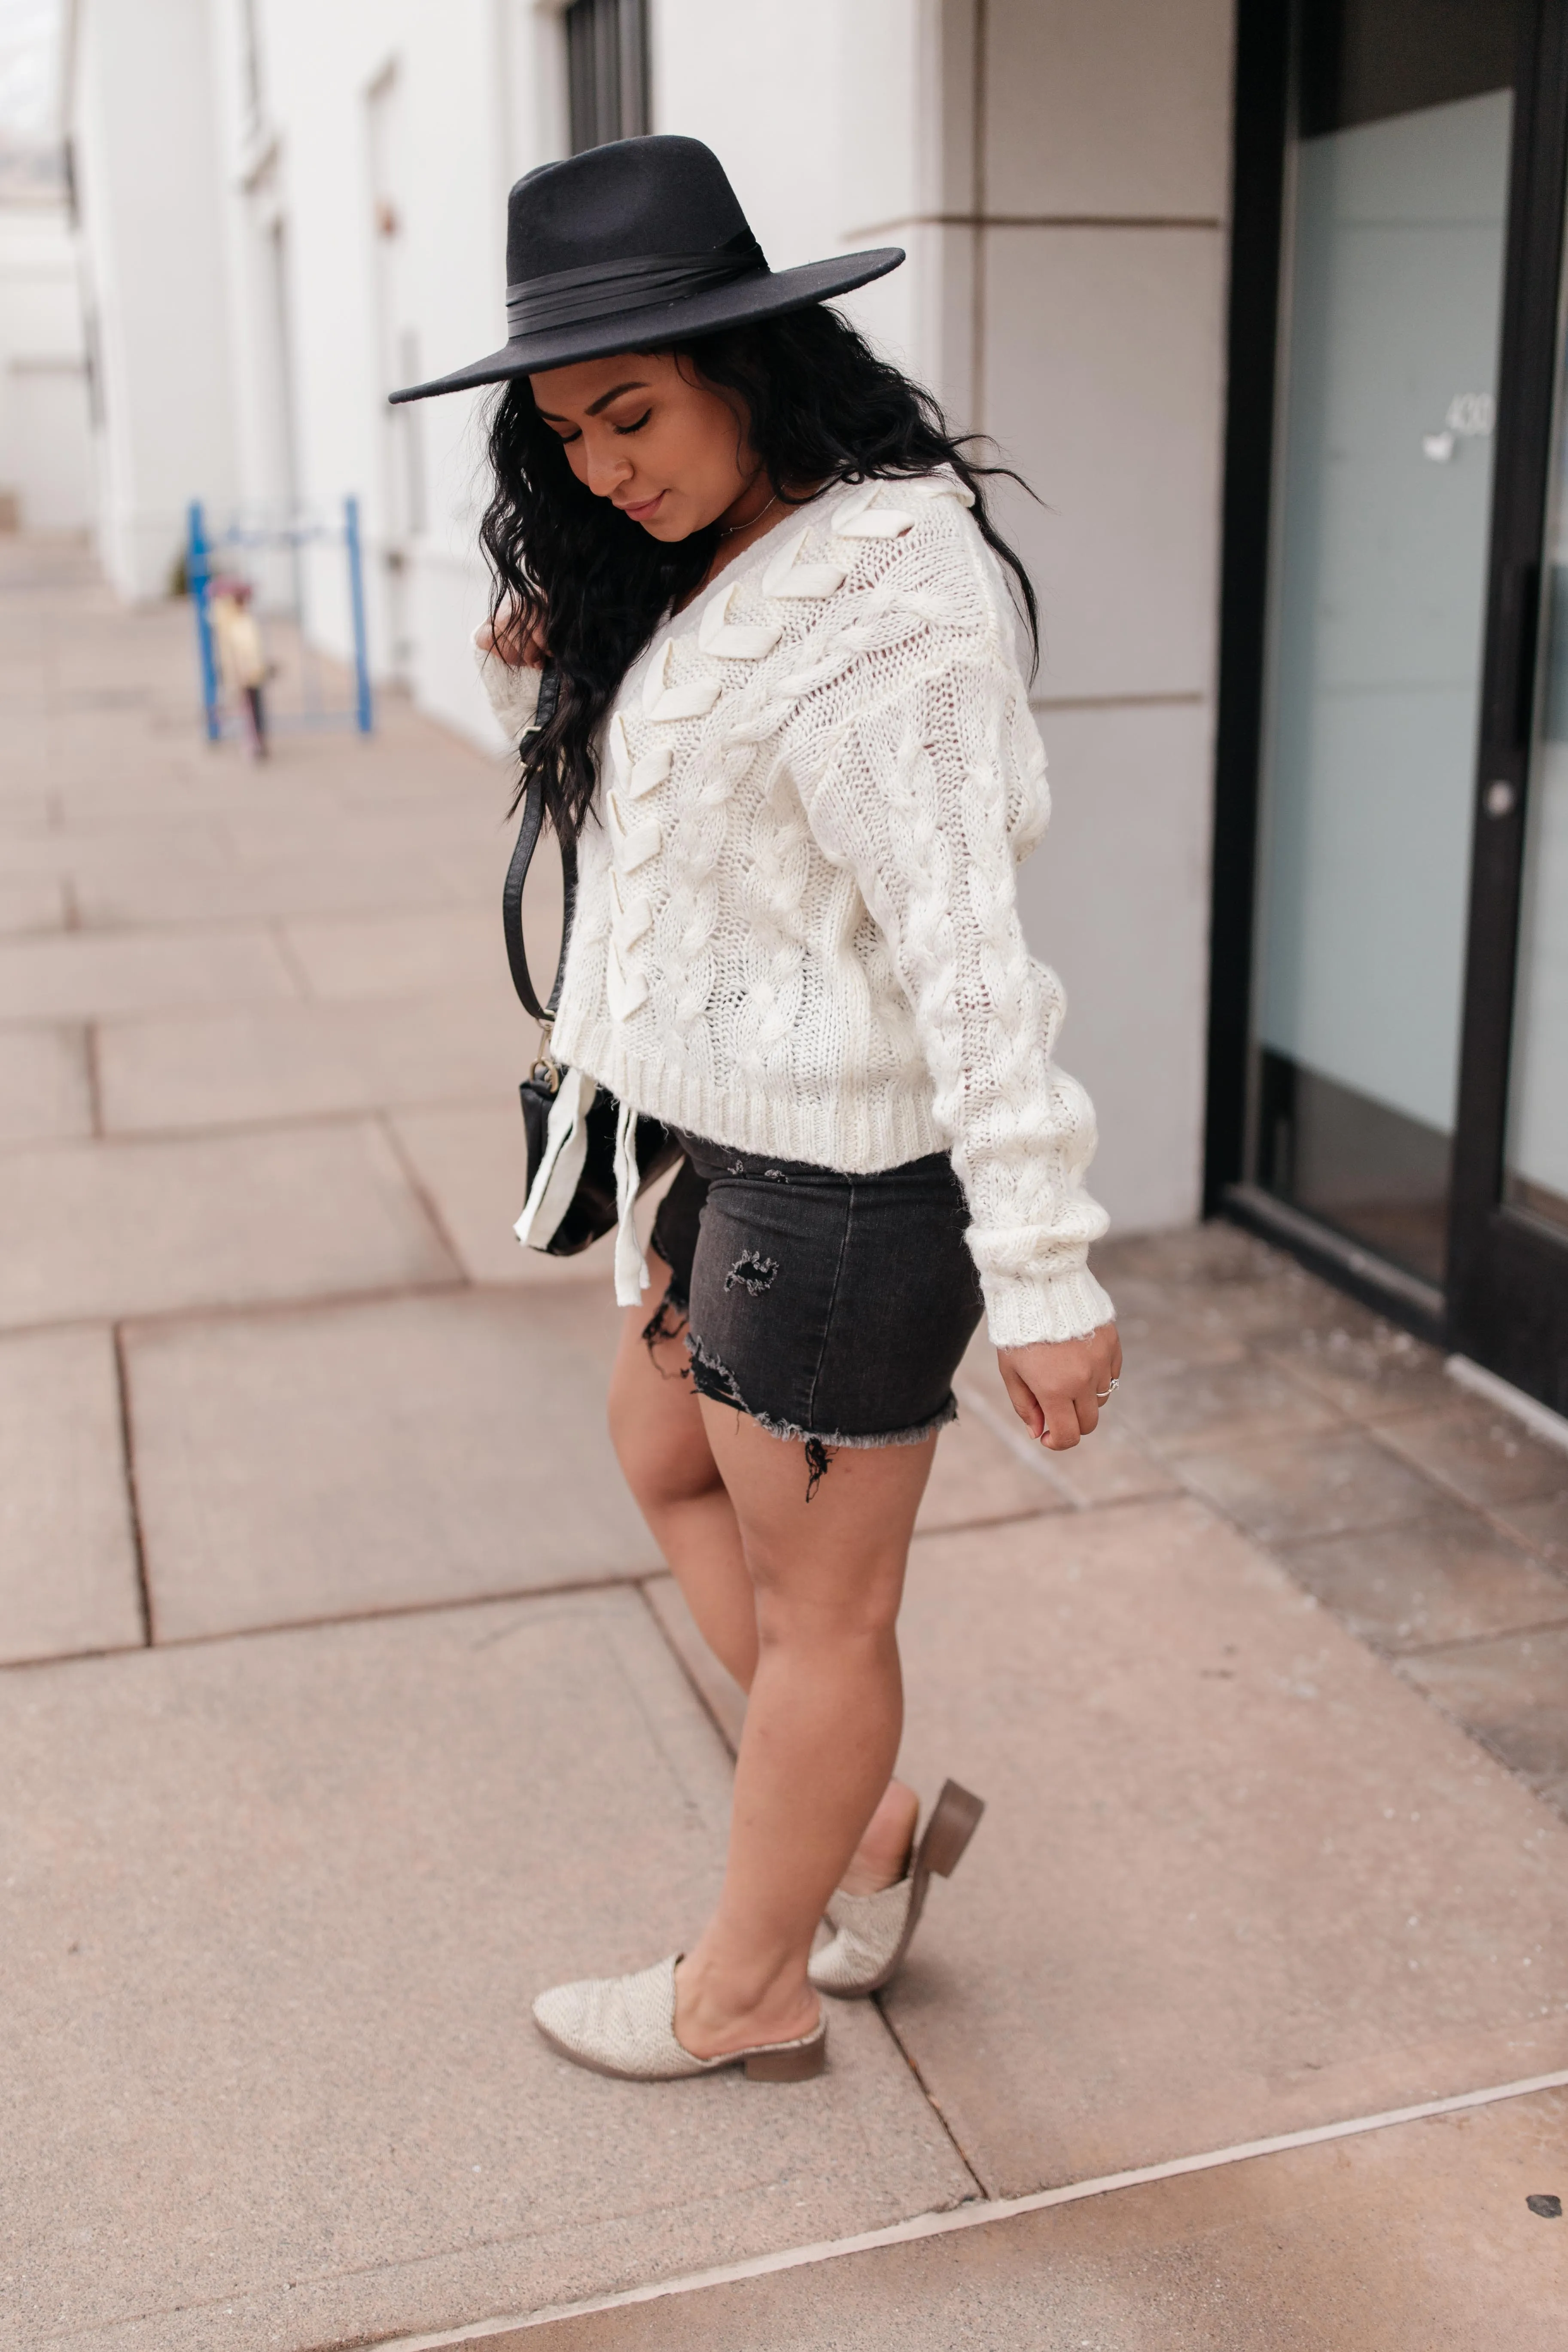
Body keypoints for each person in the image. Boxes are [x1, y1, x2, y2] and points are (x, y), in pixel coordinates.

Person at [391, 137, 1120, 2084]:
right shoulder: (714, 561)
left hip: (850, 1196)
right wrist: (584, 635)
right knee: (656, 1455)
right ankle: (862, 1832)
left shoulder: (883, 593)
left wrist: (1040, 1264)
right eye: (565, 435)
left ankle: (748, 1988)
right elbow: (709, 792)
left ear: (750, 364)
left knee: (821, 1621)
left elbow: (967, 945)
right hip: (728, 1152)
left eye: (628, 414)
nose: (600, 464)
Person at [206, 575, 269, 758]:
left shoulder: (240, 622)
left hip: (247, 674)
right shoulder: (232, 620)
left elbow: (250, 650)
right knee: (247, 710)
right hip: (241, 673)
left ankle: (255, 742)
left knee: (252, 711)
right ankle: (251, 740)